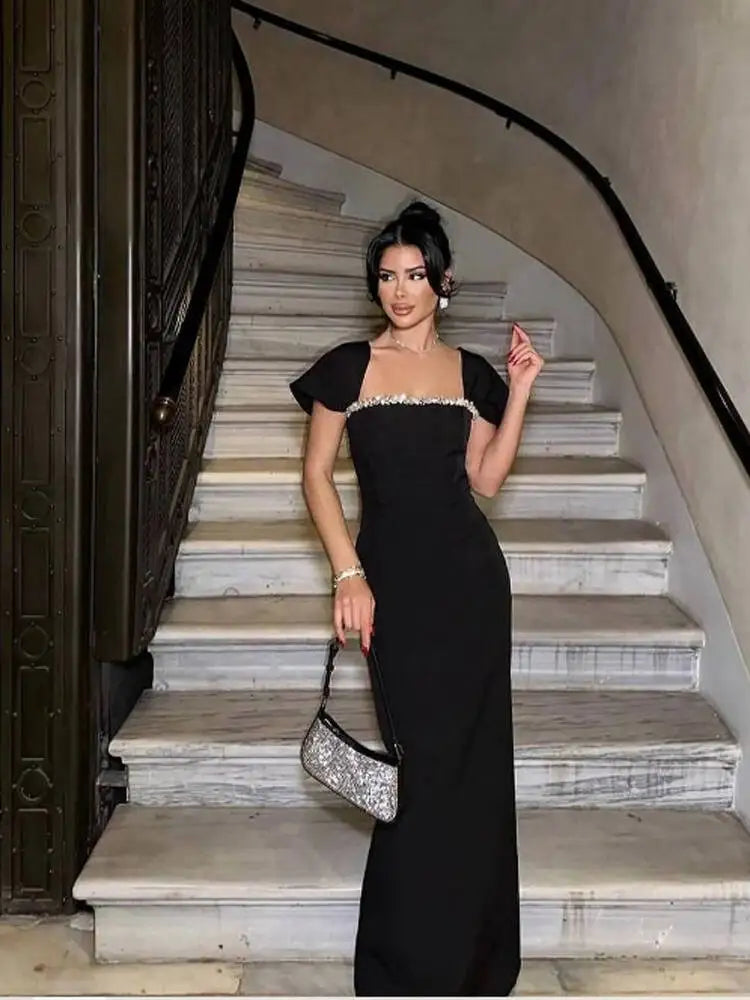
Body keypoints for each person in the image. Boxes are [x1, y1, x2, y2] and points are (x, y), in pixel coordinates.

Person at [289, 201, 543, 996]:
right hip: (392, 589)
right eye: (387, 277)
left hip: (470, 588)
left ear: (443, 282)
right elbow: (315, 476)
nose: (399, 291)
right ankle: (401, 964)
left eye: (414, 275)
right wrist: (347, 573)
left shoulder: (469, 373)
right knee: (420, 767)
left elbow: (486, 478)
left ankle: (473, 961)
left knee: (472, 770)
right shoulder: (348, 367)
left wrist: (520, 390)